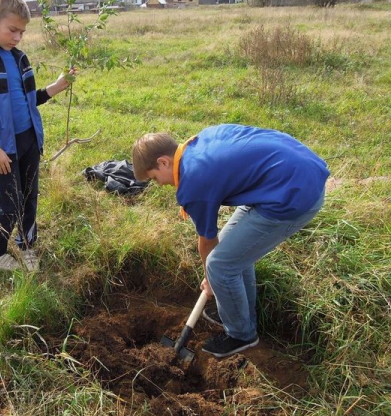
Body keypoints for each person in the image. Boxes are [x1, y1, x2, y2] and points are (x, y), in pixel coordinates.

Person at [132, 124, 329, 358]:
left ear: (163, 162)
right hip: (291, 174)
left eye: (155, 178)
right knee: (230, 256)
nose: (161, 185)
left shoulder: (194, 181)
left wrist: (211, 279)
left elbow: (206, 241)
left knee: (220, 265)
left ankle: (241, 334)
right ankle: (240, 312)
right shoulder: (200, 141)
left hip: (293, 195)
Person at [0, 0, 75, 272]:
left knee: (29, 196)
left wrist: (56, 87)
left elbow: (28, 98)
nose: (18, 37)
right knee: (10, 201)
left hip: (29, 140)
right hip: (1, 147)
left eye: (22, 32)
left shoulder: (20, 58)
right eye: (13, 30)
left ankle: (26, 245)